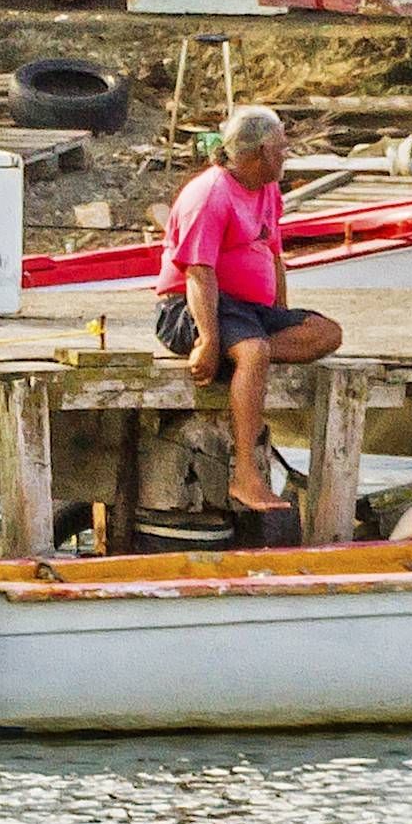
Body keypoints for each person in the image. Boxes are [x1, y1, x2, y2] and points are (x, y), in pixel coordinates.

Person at [161, 105, 339, 520]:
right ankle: (245, 473)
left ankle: (242, 358)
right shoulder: (210, 195)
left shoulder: (267, 189)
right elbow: (198, 273)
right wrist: (208, 340)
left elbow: (273, 254)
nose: (286, 154)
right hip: (193, 307)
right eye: (281, 147)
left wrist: (281, 312)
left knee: (326, 333)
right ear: (260, 151)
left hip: (250, 311)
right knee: (255, 352)